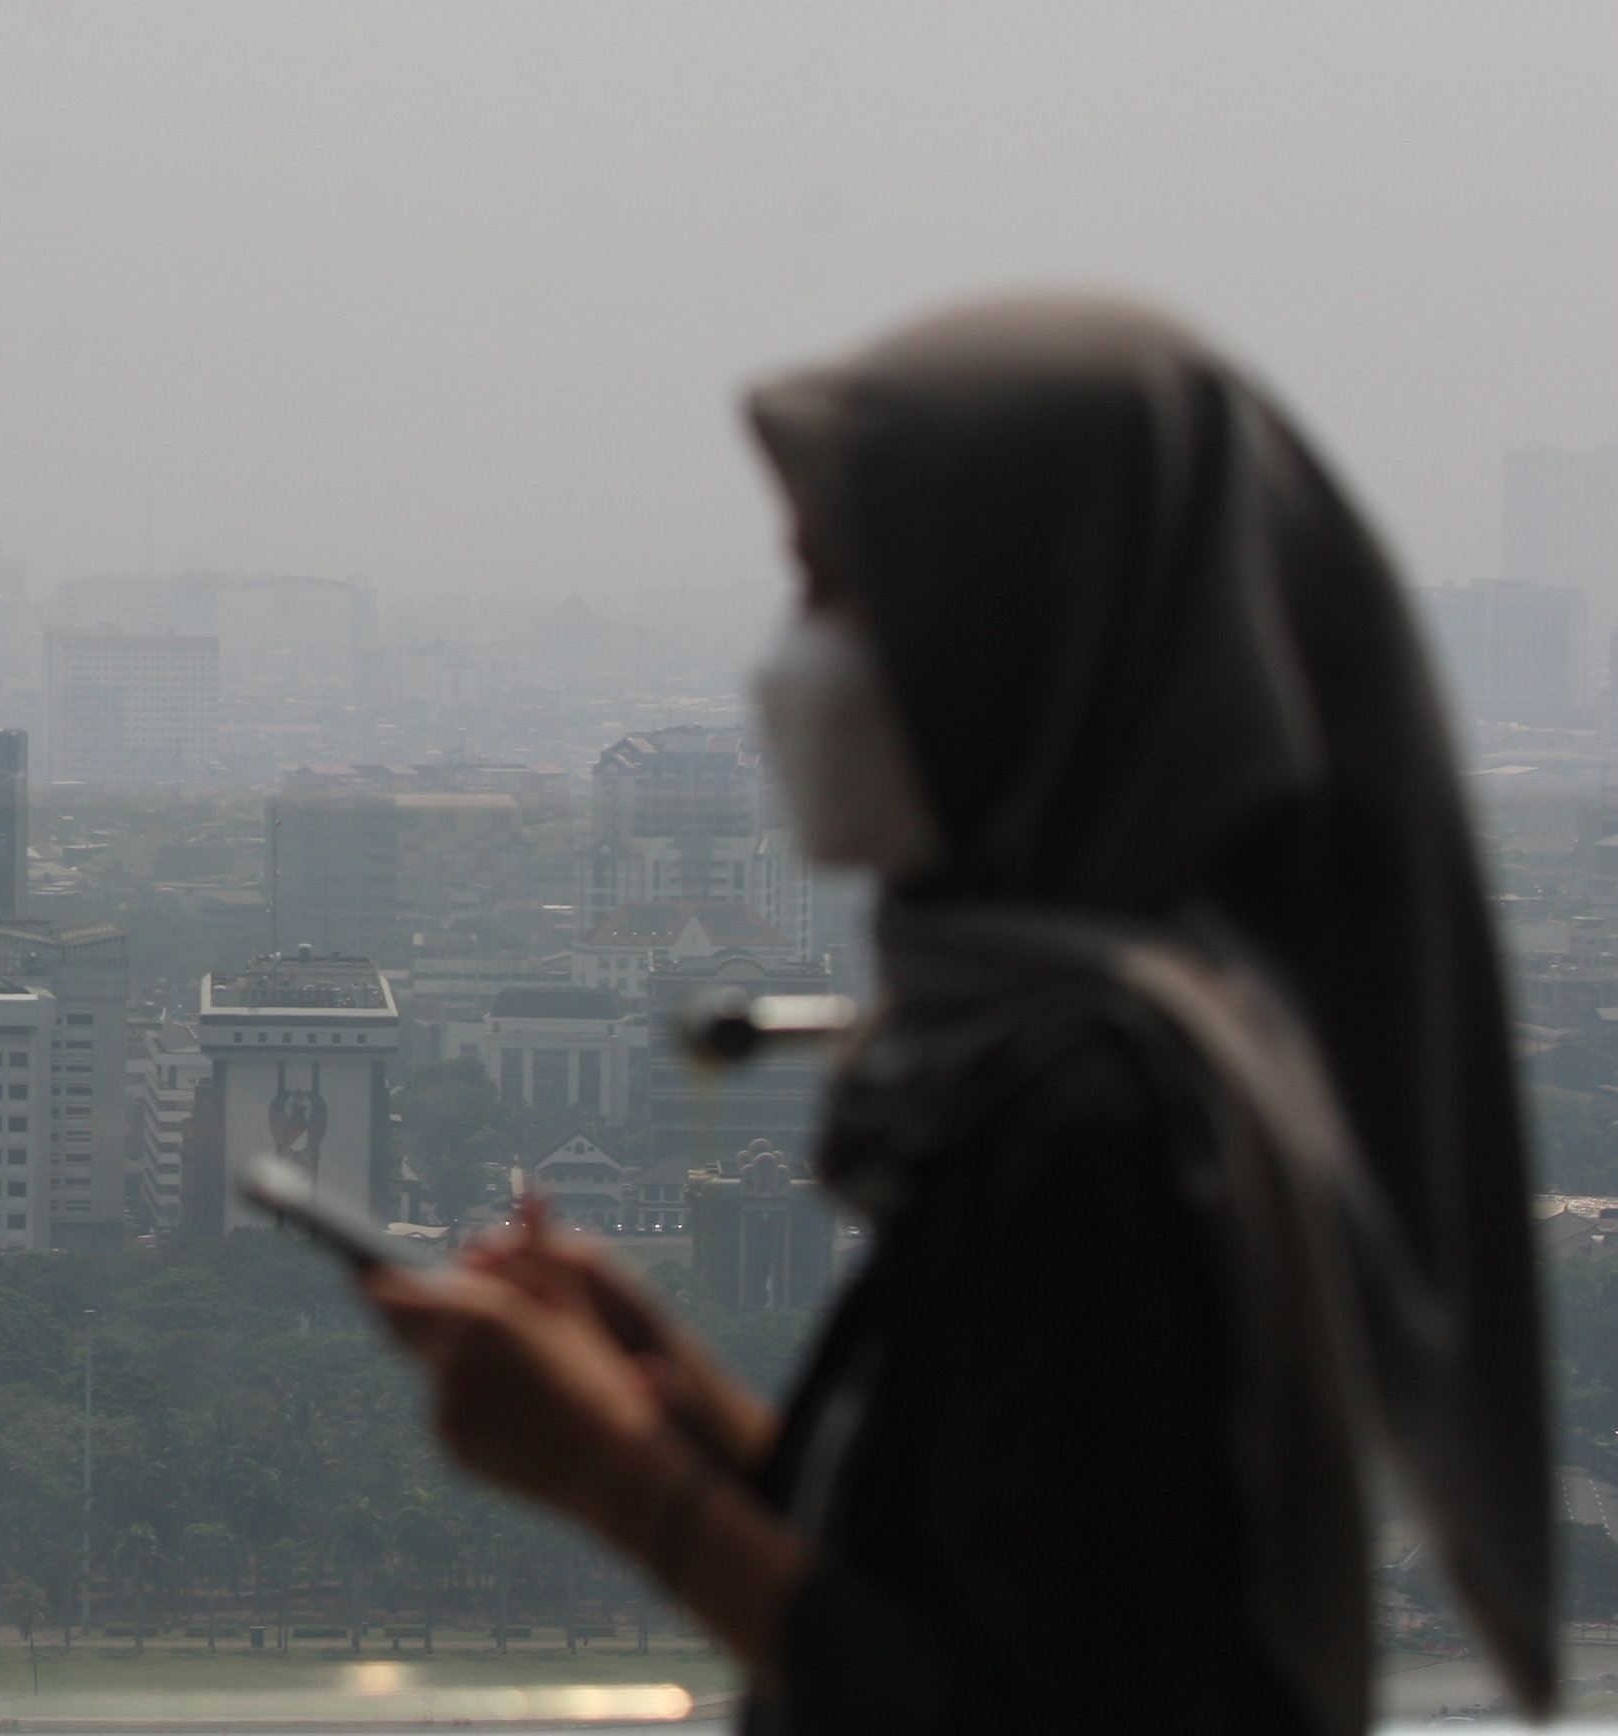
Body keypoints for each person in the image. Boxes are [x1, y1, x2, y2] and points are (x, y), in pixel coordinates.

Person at [368, 296, 1554, 1735]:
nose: (794, 658)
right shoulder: (1067, 1051)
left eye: (833, 590)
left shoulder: (1105, 1115)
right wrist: (674, 1404)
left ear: (1015, 633)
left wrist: (624, 1485)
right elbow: (993, 1581)